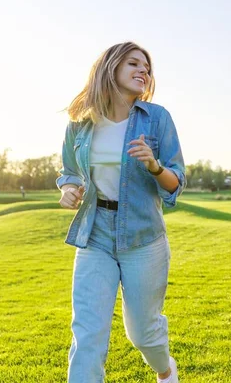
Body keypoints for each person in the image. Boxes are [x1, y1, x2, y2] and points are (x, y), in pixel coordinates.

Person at [56, 42, 186, 383]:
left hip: (144, 237)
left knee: (143, 334)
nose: (144, 70)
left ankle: (165, 369)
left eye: (147, 66)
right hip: (94, 233)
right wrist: (69, 190)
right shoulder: (81, 122)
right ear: (110, 67)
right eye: (134, 63)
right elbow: (69, 170)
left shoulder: (156, 118)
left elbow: (175, 183)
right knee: (87, 335)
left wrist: (154, 166)